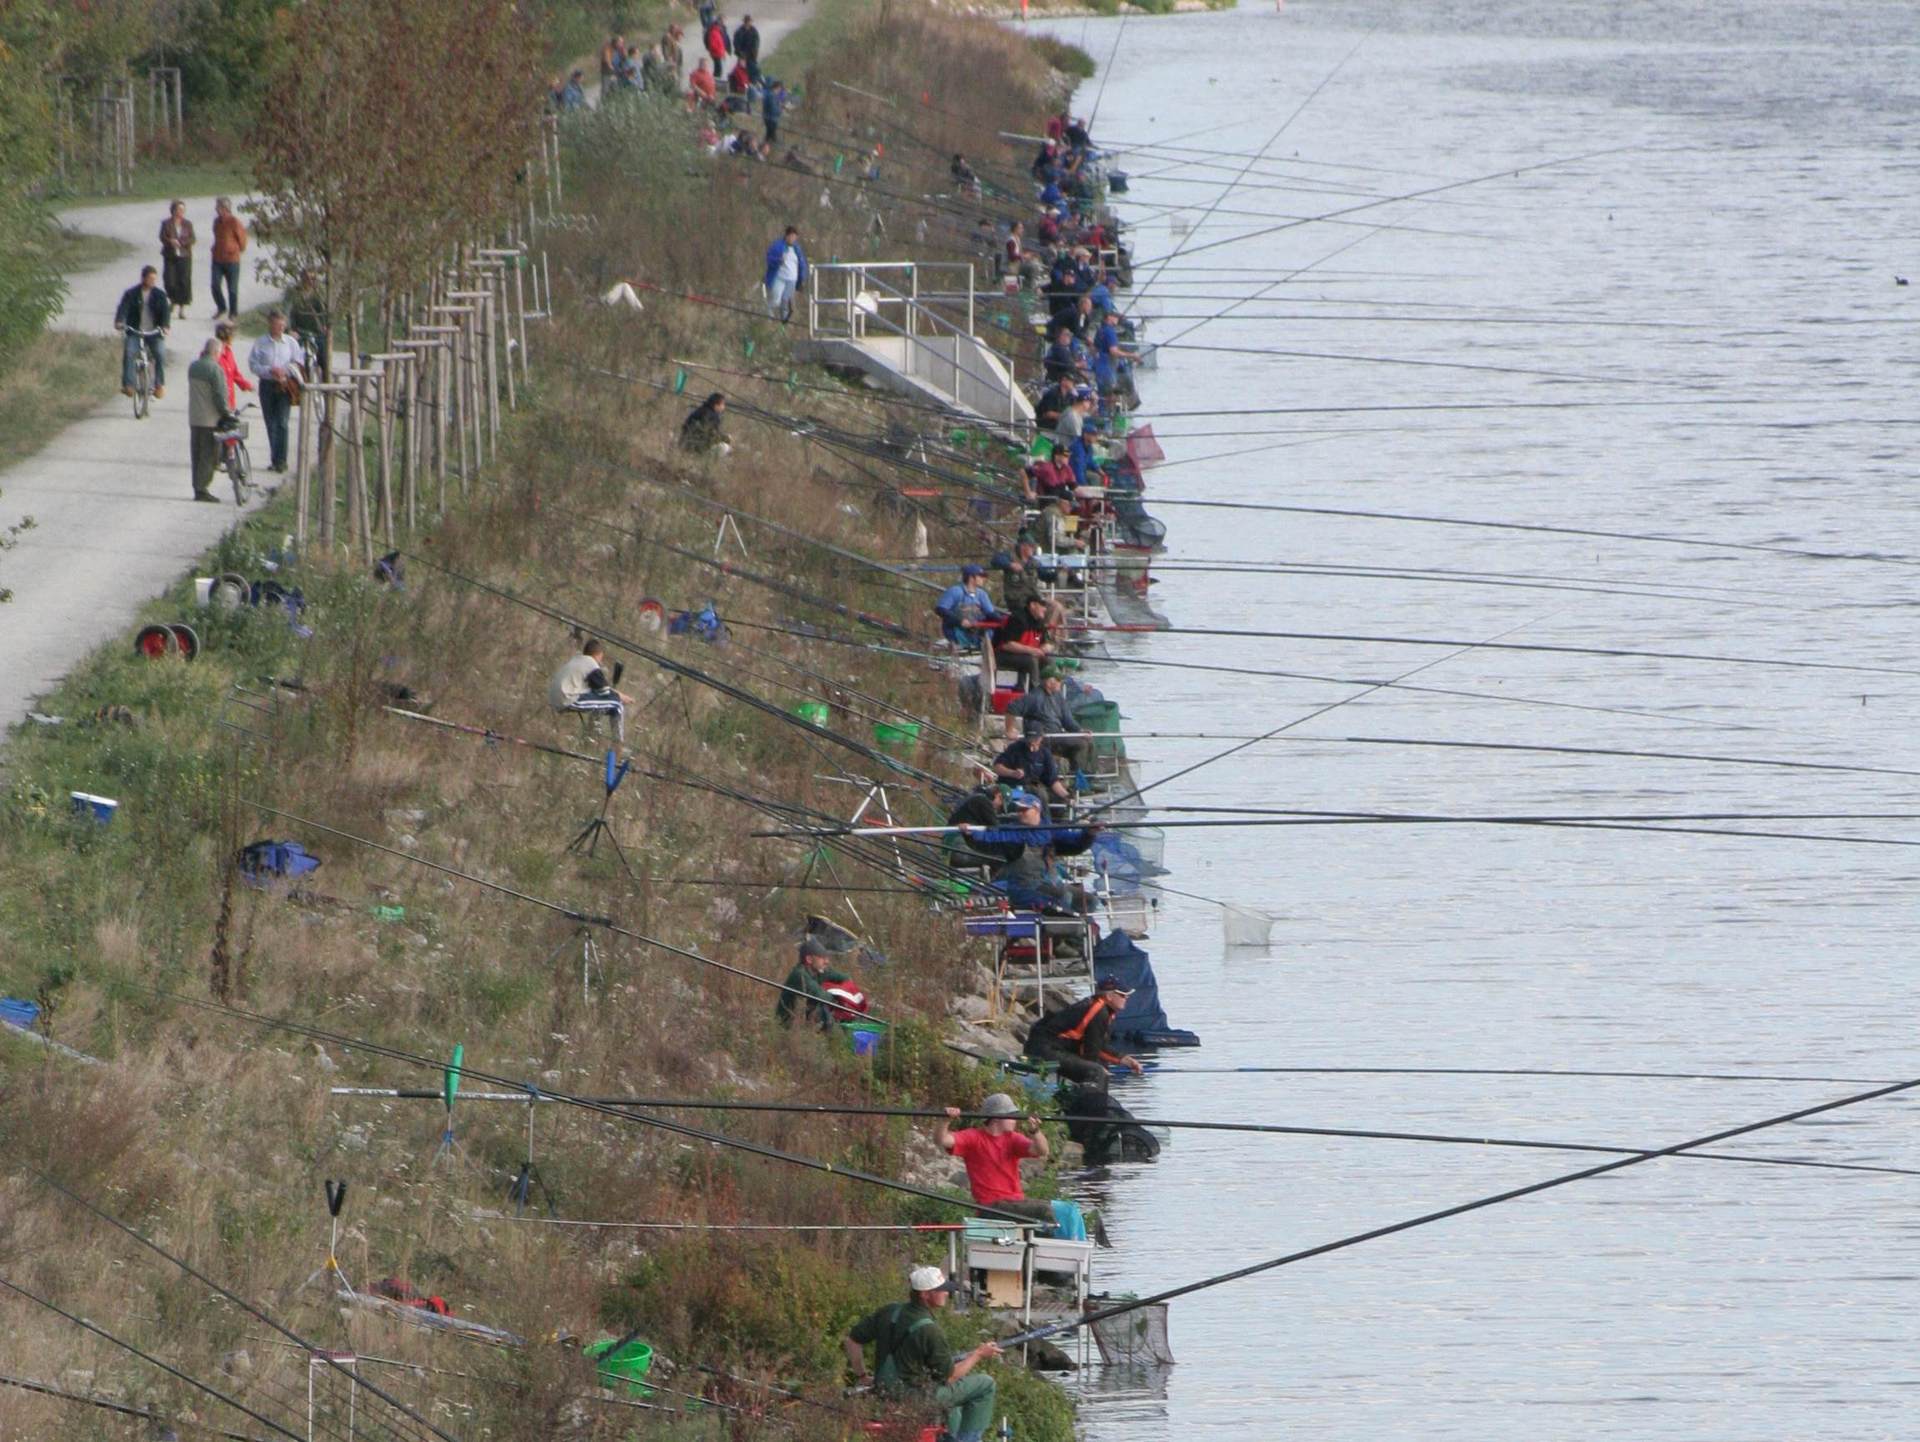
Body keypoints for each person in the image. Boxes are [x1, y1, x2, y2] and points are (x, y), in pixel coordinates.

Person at [843, 1267, 1000, 1442]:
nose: (947, 1294)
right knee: (986, 1384)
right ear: (925, 1294)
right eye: (942, 1290)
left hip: (884, 1392)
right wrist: (978, 1354)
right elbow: (950, 1377)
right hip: (916, 1399)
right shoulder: (930, 1330)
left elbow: (852, 1341)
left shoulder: (890, 1311)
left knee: (953, 1406)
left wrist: (862, 1376)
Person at [955, 789, 1095, 916]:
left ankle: (1073, 931)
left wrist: (1089, 833)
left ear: (1036, 810)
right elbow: (991, 837)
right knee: (1060, 900)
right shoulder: (1014, 832)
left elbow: (1076, 843)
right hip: (1023, 887)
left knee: (1089, 901)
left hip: (1050, 883)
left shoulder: (1050, 830)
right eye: (1019, 810)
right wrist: (971, 833)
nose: (1020, 813)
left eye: (1024, 810)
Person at [936, 1093, 1055, 1224]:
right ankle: (1049, 1241)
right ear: (997, 1119)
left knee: (1063, 1210)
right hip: (991, 1206)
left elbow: (1043, 1151)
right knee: (1043, 1211)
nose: (1015, 1120)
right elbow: (942, 1140)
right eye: (1011, 1116)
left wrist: (1036, 1132)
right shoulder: (973, 1137)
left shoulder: (1013, 1138)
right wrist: (945, 1121)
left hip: (1015, 1202)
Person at [1024, 976, 1142, 1090]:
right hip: (1044, 1049)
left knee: (1100, 1066)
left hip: (1054, 1047)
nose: (1126, 998)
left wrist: (1124, 1059)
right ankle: (1093, 1106)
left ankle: (1091, 1100)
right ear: (1109, 996)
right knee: (1096, 1071)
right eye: (1122, 995)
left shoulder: (1103, 1009)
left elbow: (1098, 1045)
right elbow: (1090, 1050)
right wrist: (1099, 1070)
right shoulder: (1099, 1012)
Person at [247, 309, 305, 473]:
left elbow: (298, 362)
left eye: (282, 325)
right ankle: (274, 458)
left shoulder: (291, 343)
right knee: (271, 423)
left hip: (285, 386)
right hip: (267, 385)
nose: (279, 328)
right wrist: (269, 370)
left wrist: (285, 371)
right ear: (270, 324)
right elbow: (253, 364)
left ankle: (282, 460)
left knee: (282, 423)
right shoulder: (260, 343)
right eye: (276, 324)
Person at [1005, 666, 1088, 772]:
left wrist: (1079, 731)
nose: (1061, 682)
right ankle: (1079, 774)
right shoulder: (1034, 697)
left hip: (1058, 736)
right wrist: (1009, 729)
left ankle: (1078, 773)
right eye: (1058, 680)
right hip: (1043, 738)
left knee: (1086, 740)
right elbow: (1012, 708)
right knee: (1081, 744)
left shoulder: (1058, 697)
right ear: (1049, 682)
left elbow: (1068, 721)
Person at [547, 638, 632, 741]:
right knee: (617, 704)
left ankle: (592, 735)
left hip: (554, 698)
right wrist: (620, 697)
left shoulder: (576, 660)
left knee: (599, 702)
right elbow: (604, 692)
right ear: (599, 654)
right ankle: (618, 745)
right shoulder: (592, 664)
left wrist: (617, 693)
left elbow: (597, 689)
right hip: (567, 699)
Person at [115, 265, 171, 398]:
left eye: (154, 279)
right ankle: (128, 385)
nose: (152, 281)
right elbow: (123, 308)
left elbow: (165, 312)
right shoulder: (131, 294)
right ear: (143, 278)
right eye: (150, 278)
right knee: (129, 353)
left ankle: (159, 385)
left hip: (154, 332)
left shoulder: (160, 295)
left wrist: (165, 326)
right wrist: (119, 321)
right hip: (135, 331)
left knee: (160, 354)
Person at [775, 936, 852, 1031]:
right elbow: (822, 996)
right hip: (787, 1026)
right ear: (809, 959)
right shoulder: (799, 975)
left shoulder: (818, 971)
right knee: (826, 1007)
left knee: (845, 1012)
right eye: (822, 958)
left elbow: (846, 979)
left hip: (804, 1021)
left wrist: (847, 994)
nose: (827, 962)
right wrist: (841, 997)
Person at [187, 338, 226, 503]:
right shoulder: (215, 369)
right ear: (216, 352)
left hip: (194, 417)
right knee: (209, 455)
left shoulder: (193, 367)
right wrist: (226, 413)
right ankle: (202, 489)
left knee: (196, 454)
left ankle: (197, 487)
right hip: (210, 419)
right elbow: (219, 395)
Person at [992, 719, 1067, 806]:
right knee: (1036, 795)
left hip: (1033, 788)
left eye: (1035, 740)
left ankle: (1045, 818)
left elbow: (1053, 781)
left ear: (1041, 738)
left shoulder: (1045, 754)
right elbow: (997, 767)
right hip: (1014, 789)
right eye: (1029, 740)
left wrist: (1066, 796)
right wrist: (1012, 773)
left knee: (1052, 797)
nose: (1031, 743)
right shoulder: (1014, 748)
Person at [933, 563, 1006, 650]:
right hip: (956, 631)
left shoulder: (981, 594)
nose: (983, 579)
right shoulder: (956, 591)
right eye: (980, 576)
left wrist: (1003, 621)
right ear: (971, 578)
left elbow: (990, 613)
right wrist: (960, 621)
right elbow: (940, 609)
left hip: (976, 631)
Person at [989, 595, 1053, 692]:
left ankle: (1048, 690)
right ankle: (1035, 693)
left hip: (1024, 656)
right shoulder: (1017, 619)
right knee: (1031, 661)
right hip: (1001, 655)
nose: (1045, 609)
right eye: (1043, 605)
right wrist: (1033, 650)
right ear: (1033, 605)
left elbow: (1043, 641)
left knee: (1048, 660)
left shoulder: (1040, 622)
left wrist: (1046, 647)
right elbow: (1007, 645)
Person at [209, 198, 247, 320]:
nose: (216, 209)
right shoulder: (216, 222)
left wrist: (235, 250)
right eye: (217, 207)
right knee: (215, 285)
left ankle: (233, 313)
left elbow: (242, 239)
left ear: (225, 208)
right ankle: (221, 307)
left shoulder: (234, 221)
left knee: (232, 289)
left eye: (218, 207)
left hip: (232, 260)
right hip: (217, 259)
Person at [762, 225, 807, 322]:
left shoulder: (797, 249)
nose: (792, 239)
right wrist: (778, 260)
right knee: (776, 300)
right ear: (786, 236)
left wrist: (802, 279)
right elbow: (769, 259)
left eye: (794, 237)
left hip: (792, 279)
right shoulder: (778, 246)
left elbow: (802, 264)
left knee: (785, 300)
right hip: (780, 277)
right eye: (791, 236)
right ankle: (768, 312)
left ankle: (784, 321)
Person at [158, 200, 194, 317]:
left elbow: (192, 239)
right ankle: (173, 300)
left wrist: (181, 242)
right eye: (179, 209)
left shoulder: (188, 224)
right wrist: (170, 241)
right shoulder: (166, 223)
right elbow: (162, 237)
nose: (181, 212)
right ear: (173, 210)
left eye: (183, 210)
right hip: (170, 255)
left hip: (184, 256)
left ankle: (182, 309)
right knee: (170, 281)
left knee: (184, 281)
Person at [213, 322, 253, 412]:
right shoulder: (214, 351)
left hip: (229, 398)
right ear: (227, 335)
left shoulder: (228, 351)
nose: (234, 337)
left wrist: (246, 385)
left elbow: (234, 373)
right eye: (233, 334)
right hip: (216, 397)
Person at [733, 14, 761, 80]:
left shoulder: (754, 31)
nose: (748, 23)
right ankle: (742, 82)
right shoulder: (739, 31)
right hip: (742, 55)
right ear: (745, 22)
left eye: (750, 21)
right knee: (742, 70)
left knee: (753, 69)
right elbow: (736, 43)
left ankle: (752, 82)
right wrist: (740, 53)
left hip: (752, 55)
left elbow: (756, 43)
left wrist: (755, 52)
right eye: (747, 21)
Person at [761, 77, 787, 147]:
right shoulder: (771, 96)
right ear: (777, 88)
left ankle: (765, 146)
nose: (780, 91)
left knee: (769, 135)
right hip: (771, 119)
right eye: (780, 89)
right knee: (772, 136)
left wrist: (779, 105)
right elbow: (773, 109)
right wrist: (781, 110)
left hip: (768, 117)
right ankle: (776, 147)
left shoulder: (770, 95)